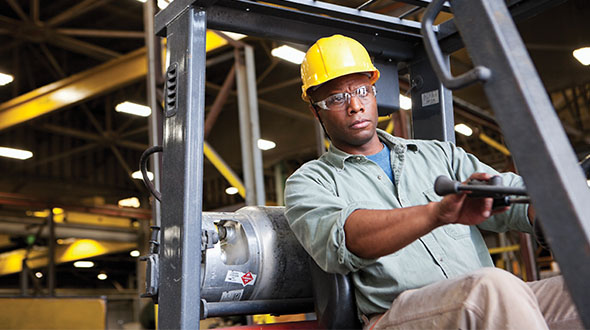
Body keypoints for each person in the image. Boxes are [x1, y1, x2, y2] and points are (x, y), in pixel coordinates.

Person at [284, 34, 582, 329]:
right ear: (315, 111)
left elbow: (510, 195)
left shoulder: (438, 155)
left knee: (580, 288)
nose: (355, 106)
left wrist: (552, 210)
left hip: (483, 301)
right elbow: (347, 241)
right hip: (396, 316)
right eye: (337, 98)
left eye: (362, 90)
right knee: (491, 287)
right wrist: (437, 213)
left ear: (375, 93)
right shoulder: (310, 182)